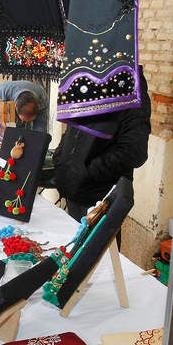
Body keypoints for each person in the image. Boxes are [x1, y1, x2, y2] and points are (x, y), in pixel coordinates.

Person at [53, 66, 152, 229]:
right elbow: (74, 126)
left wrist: (86, 171)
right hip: (74, 189)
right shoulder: (89, 77)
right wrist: (62, 159)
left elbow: (135, 151)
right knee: (74, 249)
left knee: (98, 253)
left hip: (97, 196)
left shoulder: (130, 86)